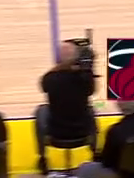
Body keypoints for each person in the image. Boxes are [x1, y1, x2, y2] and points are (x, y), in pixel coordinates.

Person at [36, 41, 97, 176]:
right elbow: (91, 91)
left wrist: (63, 65)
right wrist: (86, 68)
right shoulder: (85, 79)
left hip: (56, 133)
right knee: (91, 109)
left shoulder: (50, 78)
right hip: (82, 132)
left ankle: (42, 156)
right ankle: (95, 151)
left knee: (40, 110)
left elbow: (43, 85)